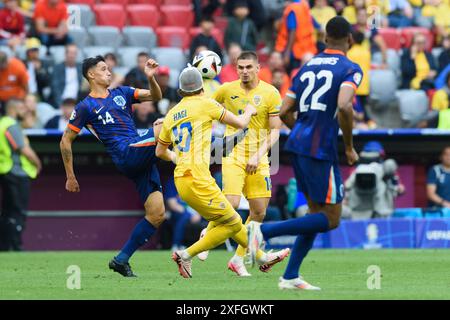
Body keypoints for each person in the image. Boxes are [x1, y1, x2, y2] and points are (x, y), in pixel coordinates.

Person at [246, 16, 361, 290]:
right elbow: (345, 106)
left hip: (298, 143)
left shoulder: (306, 66)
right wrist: (348, 146)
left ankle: (290, 276)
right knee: (331, 218)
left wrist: (302, 133)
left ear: (324, 39)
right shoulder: (350, 68)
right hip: (320, 150)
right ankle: (262, 231)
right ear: (350, 40)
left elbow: (284, 111)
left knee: (314, 212)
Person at [155, 65, 289, 278]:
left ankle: (261, 257)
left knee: (232, 221)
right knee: (233, 222)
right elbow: (240, 123)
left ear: (180, 91)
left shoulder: (171, 114)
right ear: (201, 88)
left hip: (182, 179)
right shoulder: (206, 104)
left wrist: (177, 156)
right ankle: (186, 254)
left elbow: (160, 150)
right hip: (198, 178)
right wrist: (248, 111)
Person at [60, 55, 165, 277]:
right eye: (104, 69)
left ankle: (121, 260)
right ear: (91, 74)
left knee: (156, 214)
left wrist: (150, 78)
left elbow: (156, 95)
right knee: (168, 124)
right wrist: (70, 176)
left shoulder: (122, 93)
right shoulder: (85, 107)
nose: (109, 72)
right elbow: (65, 140)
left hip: (139, 154)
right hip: (126, 153)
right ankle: (193, 160)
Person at [195, 51, 285, 277]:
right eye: (240, 67)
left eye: (248, 67)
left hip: (260, 157)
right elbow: (202, 107)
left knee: (258, 212)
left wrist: (258, 155)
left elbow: (276, 131)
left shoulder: (271, 93)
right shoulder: (226, 89)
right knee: (232, 203)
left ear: (258, 67)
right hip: (233, 153)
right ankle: (207, 234)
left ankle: (238, 258)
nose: (244, 71)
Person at [0, 99, 42, 251]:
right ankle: (16, 246)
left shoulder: (2, 123)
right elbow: (22, 148)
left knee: (7, 211)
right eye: (22, 107)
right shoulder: (10, 125)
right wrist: (37, 162)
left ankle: (4, 246)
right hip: (16, 172)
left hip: (6, 171)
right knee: (18, 210)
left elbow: (30, 123)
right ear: (13, 109)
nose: (24, 110)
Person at [275, 0, 318, 73]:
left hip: (294, 51)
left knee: (293, 75)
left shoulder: (292, 8)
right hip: (307, 49)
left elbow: (292, 31)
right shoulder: (305, 5)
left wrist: (287, 53)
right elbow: (315, 24)